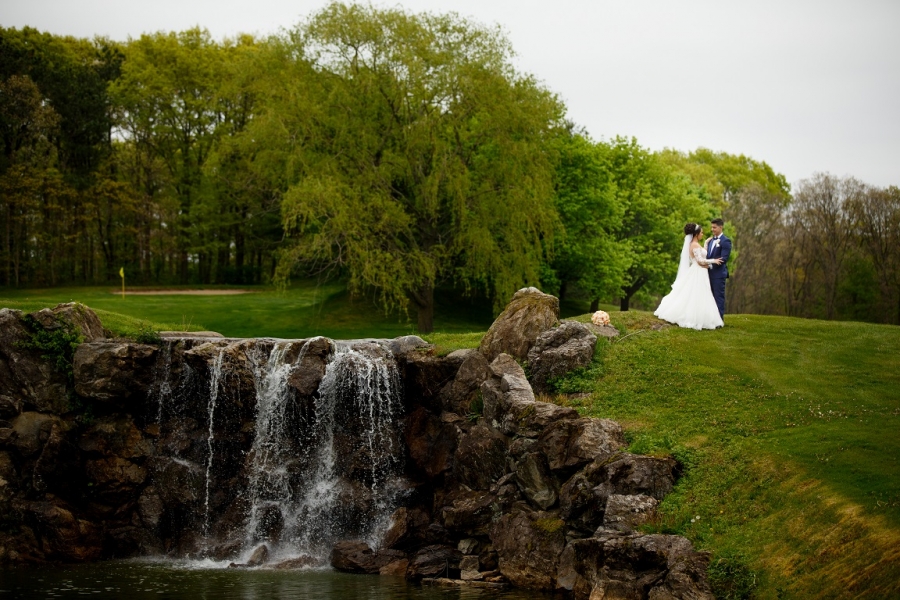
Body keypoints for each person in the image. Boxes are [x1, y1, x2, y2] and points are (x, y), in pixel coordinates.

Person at [654, 222, 724, 330]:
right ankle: (694, 318)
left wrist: (705, 243)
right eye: (701, 233)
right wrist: (714, 261)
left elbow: (701, 253)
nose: (702, 234)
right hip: (698, 272)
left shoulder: (695, 244)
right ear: (696, 234)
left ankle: (702, 317)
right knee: (696, 294)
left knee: (700, 294)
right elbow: (700, 260)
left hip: (701, 271)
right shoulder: (694, 245)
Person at [706, 217, 731, 320]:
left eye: (714, 227)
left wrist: (709, 265)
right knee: (709, 298)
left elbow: (723, 259)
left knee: (718, 297)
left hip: (718, 275)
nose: (712, 229)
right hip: (708, 274)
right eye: (712, 227)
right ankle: (711, 319)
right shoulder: (711, 240)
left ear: (721, 227)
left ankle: (719, 320)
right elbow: (708, 256)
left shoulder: (726, 241)